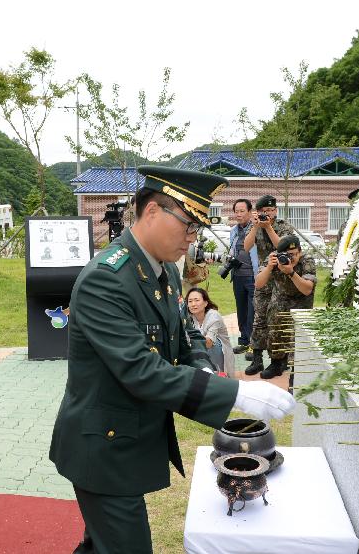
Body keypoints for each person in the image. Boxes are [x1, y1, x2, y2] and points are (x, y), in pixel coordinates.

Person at [49, 165, 296, 554]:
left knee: (102, 545)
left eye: (196, 229)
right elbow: (140, 371)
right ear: (151, 213)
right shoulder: (107, 279)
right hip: (103, 448)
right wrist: (233, 393)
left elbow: (187, 336)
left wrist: (200, 366)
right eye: (188, 226)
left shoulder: (158, 271)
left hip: (126, 439)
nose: (192, 238)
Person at [243, 195, 296, 375]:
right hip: (264, 276)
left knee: (278, 319)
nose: (268, 214)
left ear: (276, 211)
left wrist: (269, 228)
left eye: (271, 211)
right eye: (264, 211)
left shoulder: (283, 226)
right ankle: (257, 359)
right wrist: (257, 226)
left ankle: (279, 361)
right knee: (259, 318)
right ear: (258, 212)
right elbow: (246, 246)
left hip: (282, 278)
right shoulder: (255, 225)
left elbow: (282, 246)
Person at [253, 235, 317, 378]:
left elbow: (307, 289)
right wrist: (269, 267)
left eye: (293, 255)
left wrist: (291, 273)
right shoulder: (274, 259)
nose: (290, 259)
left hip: (301, 301)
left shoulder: (307, 260)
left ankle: (296, 368)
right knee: (275, 330)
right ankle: (277, 363)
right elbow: (258, 284)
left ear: (300, 252)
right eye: (286, 255)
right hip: (280, 300)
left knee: (297, 337)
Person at [227, 199, 259, 355]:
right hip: (238, 276)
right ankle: (244, 341)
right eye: (236, 211)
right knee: (242, 311)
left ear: (250, 211)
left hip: (253, 276)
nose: (238, 214)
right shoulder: (234, 230)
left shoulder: (257, 228)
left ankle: (254, 345)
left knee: (253, 311)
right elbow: (232, 251)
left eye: (242, 211)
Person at [186, 287, 235, 376]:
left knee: (213, 343)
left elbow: (208, 343)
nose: (193, 304)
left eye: (197, 300)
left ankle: (219, 373)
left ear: (205, 303)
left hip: (219, 351)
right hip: (200, 350)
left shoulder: (214, 316)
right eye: (190, 301)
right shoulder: (187, 317)